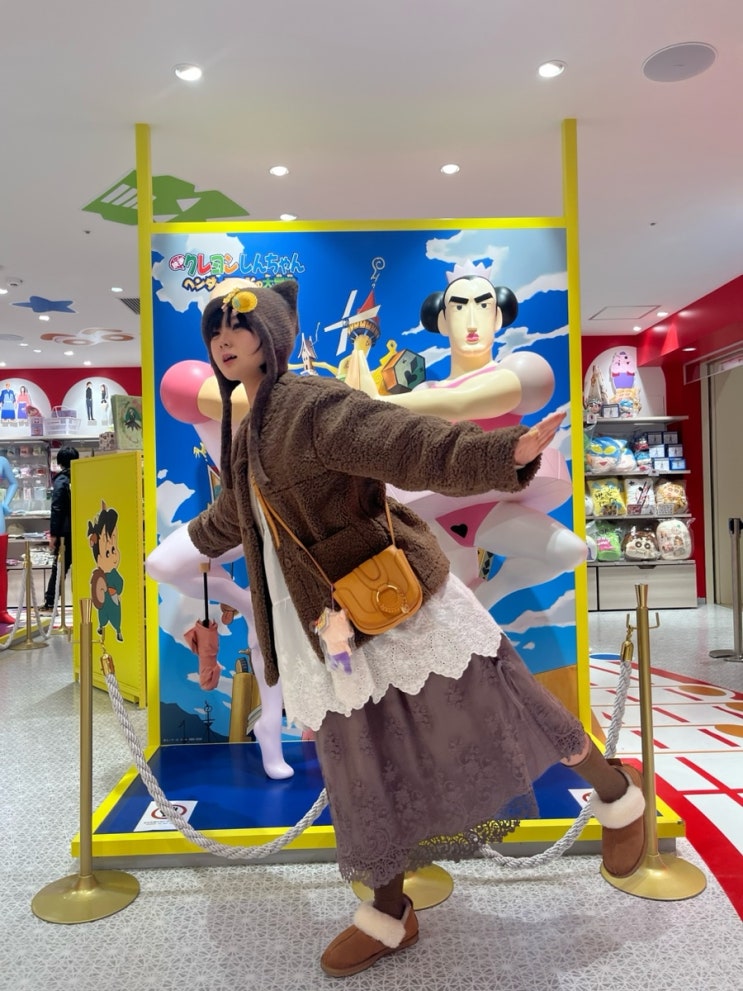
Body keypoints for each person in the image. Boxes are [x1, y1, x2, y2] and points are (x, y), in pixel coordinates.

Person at [184, 278, 647, 978]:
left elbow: (403, 441)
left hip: (399, 604)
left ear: (271, 334)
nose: (224, 338)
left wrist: (501, 455)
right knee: (357, 758)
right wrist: (187, 543)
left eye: (238, 324)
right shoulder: (248, 429)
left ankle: (617, 795)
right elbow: (235, 515)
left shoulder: (309, 402)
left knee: (505, 700)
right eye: (214, 329)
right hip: (328, 628)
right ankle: (390, 912)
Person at [42, 446, 79, 612]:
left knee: (59, 567)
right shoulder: (82, 477)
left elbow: (57, 508)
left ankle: (50, 603)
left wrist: (54, 534)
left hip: (64, 532)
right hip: (82, 529)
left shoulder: (61, 480)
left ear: (60, 462)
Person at [1, 453, 19, 624]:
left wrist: (6, 503)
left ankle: (2, 610)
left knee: (0, 569)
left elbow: (14, 483)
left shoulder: (2, 461)